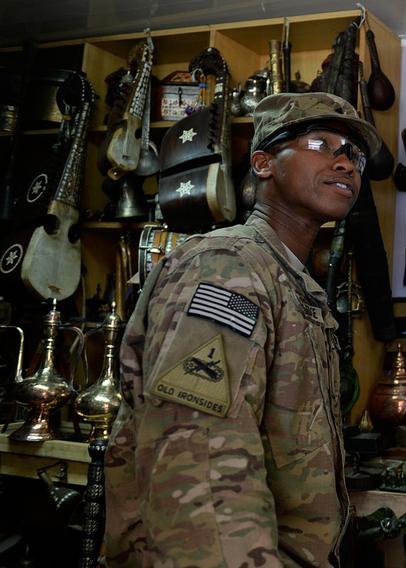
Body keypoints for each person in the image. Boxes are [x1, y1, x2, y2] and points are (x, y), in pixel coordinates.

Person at [104, 92, 381, 568]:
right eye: (321, 143)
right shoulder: (227, 266)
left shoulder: (289, 280)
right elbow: (200, 464)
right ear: (264, 163)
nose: (346, 164)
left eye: (352, 154)